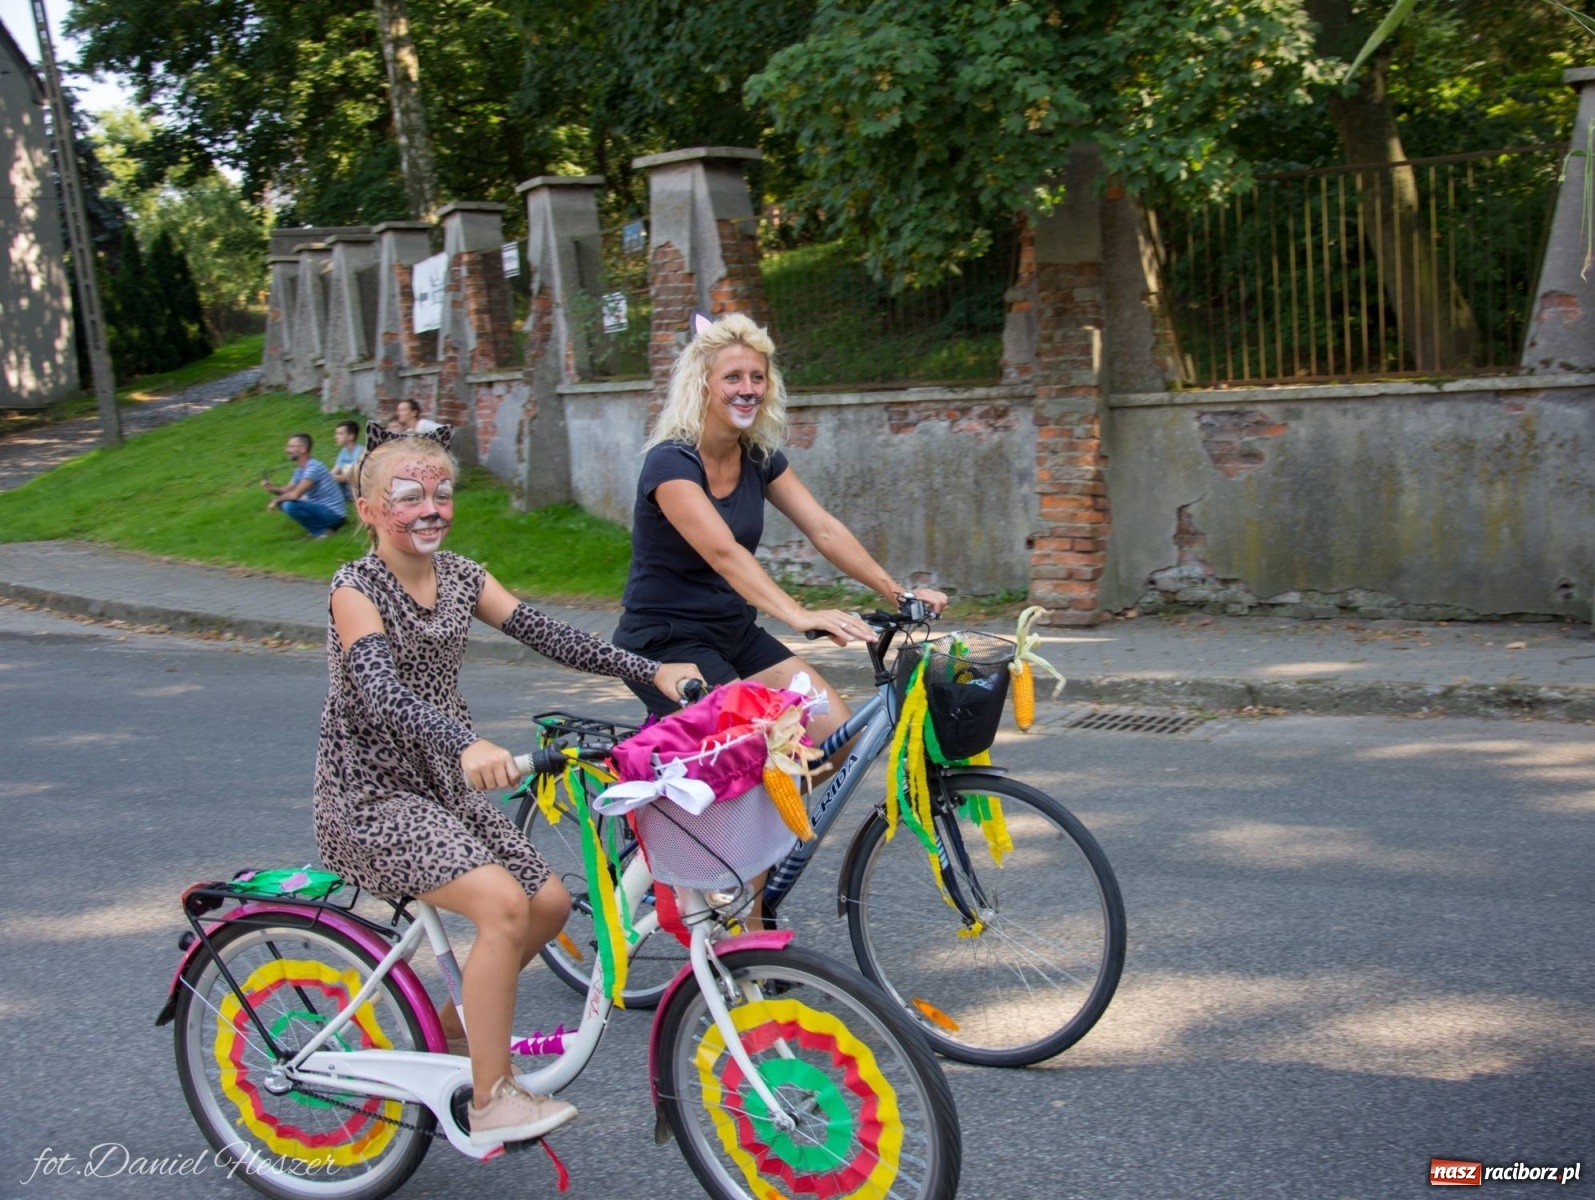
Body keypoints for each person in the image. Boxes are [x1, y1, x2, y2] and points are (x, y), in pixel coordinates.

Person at [314, 421, 703, 1147]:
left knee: (548, 905)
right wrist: (466, 742)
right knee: (500, 907)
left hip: (445, 786)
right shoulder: (355, 589)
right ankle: (490, 1098)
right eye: (407, 496)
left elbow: (549, 633)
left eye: (441, 493)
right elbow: (380, 691)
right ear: (368, 511)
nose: (429, 508)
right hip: (372, 794)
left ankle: (459, 1031)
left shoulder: (461, 576)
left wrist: (650, 671)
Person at [613, 311, 947, 750]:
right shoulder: (671, 463)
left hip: (734, 631)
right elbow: (724, 553)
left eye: (757, 377)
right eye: (732, 377)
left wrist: (896, 593)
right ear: (703, 385)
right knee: (747, 754)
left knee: (836, 741)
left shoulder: (758, 457)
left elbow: (823, 528)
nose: (748, 389)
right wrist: (798, 614)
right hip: (664, 641)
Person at [261, 433, 347, 538]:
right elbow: (288, 490)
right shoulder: (300, 469)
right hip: (321, 510)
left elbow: (295, 495)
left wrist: (275, 501)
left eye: (291, 446)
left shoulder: (313, 468)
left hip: (334, 515)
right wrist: (271, 488)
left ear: (303, 449)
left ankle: (322, 532)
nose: (286, 450)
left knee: (289, 505)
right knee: (284, 502)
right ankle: (319, 528)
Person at [330, 419, 361, 504]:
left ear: (351, 436)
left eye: (340, 434)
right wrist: (326, 478)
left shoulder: (360, 452)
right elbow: (335, 470)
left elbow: (351, 476)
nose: (336, 437)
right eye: (336, 434)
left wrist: (330, 479)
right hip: (347, 485)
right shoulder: (343, 452)